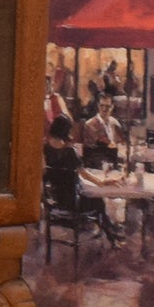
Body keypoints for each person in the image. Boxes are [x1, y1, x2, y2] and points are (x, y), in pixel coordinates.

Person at [44, 114, 121, 247]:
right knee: (98, 202)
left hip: (57, 200)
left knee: (94, 201)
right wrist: (102, 182)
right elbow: (84, 174)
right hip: (75, 203)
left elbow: (44, 175)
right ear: (66, 131)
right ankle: (112, 237)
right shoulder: (69, 151)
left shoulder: (46, 149)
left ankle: (113, 234)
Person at [80, 93, 125, 170]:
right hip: (95, 166)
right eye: (102, 105)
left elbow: (121, 142)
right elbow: (105, 143)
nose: (104, 109)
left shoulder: (115, 123)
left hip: (112, 165)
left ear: (112, 107)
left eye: (107, 106)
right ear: (98, 106)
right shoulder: (90, 124)